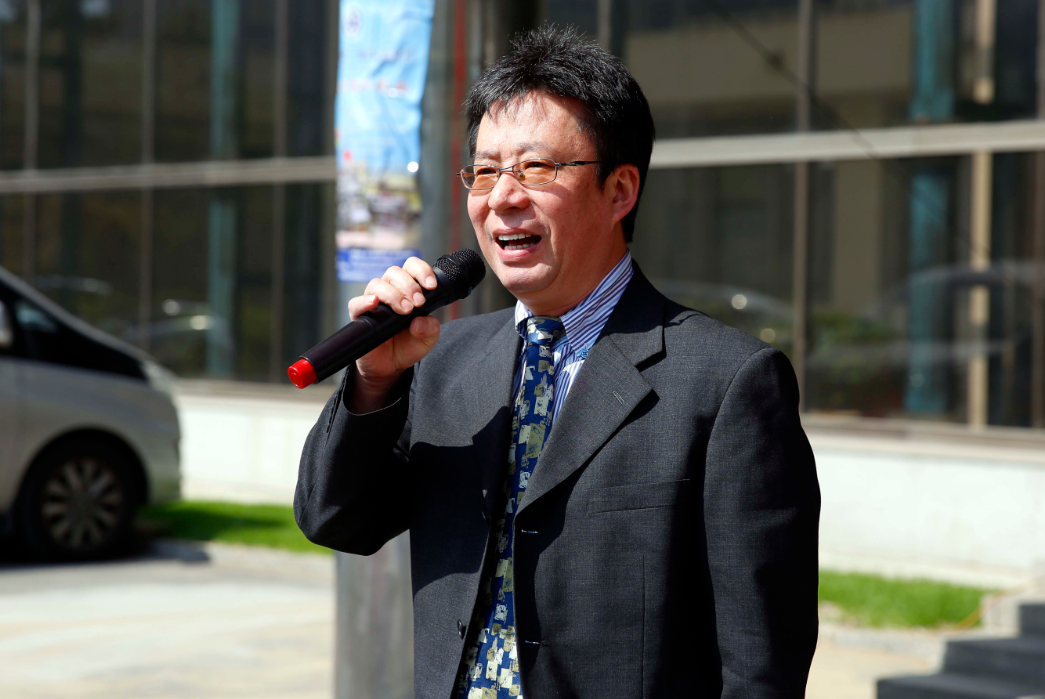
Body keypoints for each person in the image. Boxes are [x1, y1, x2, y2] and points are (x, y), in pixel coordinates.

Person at [296, 25, 820, 699]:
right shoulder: (443, 360)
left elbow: (760, 663)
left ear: (619, 190)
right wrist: (374, 379)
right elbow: (336, 519)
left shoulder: (726, 383)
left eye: (536, 168)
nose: (502, 197)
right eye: (485, 171)